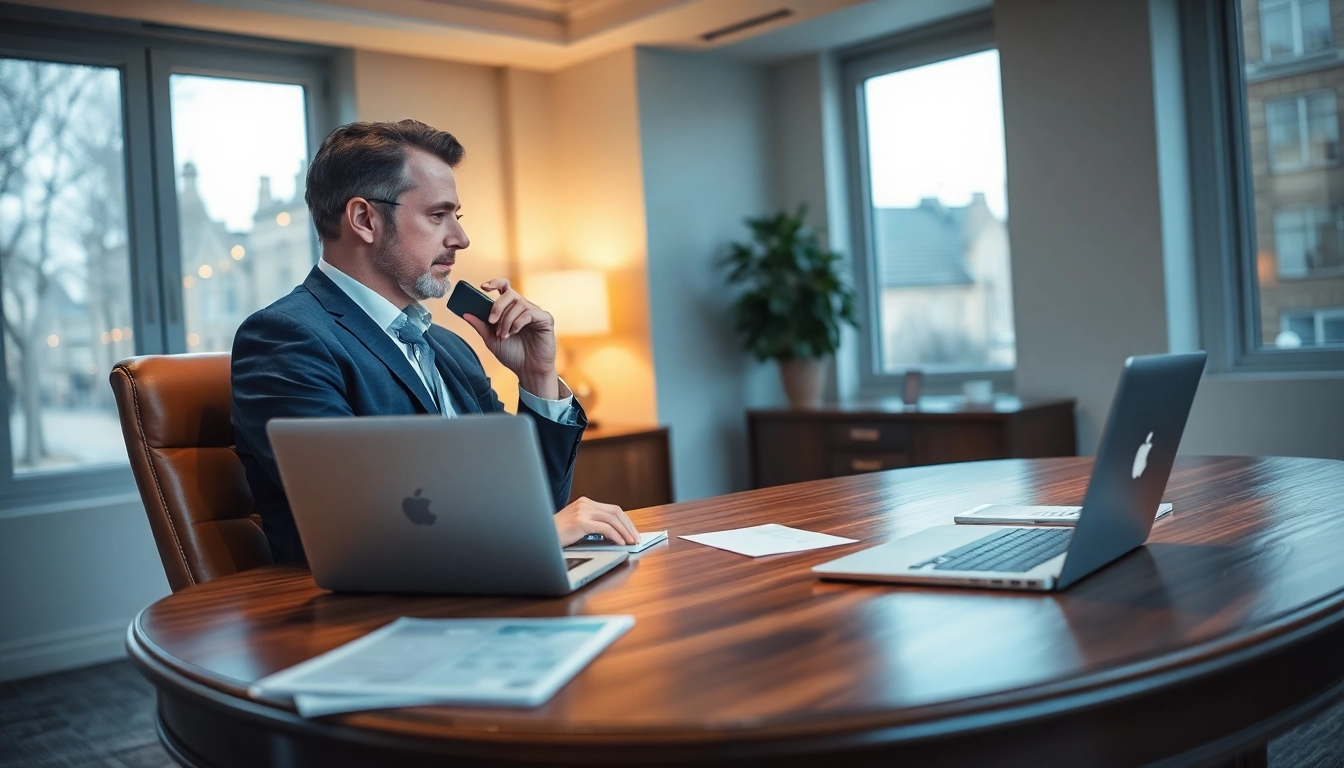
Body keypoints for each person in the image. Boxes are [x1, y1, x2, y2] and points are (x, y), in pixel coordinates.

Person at [231, 119, 640, 563]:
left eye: (457, 217)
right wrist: (531, 532)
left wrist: (537, 376)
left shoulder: (450, 348)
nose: (460, 239)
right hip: (371, 617)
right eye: (438, 215)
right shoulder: (285, 338)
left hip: (494, 589)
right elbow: (358, 523)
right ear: (365, 219)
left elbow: (536, 504)